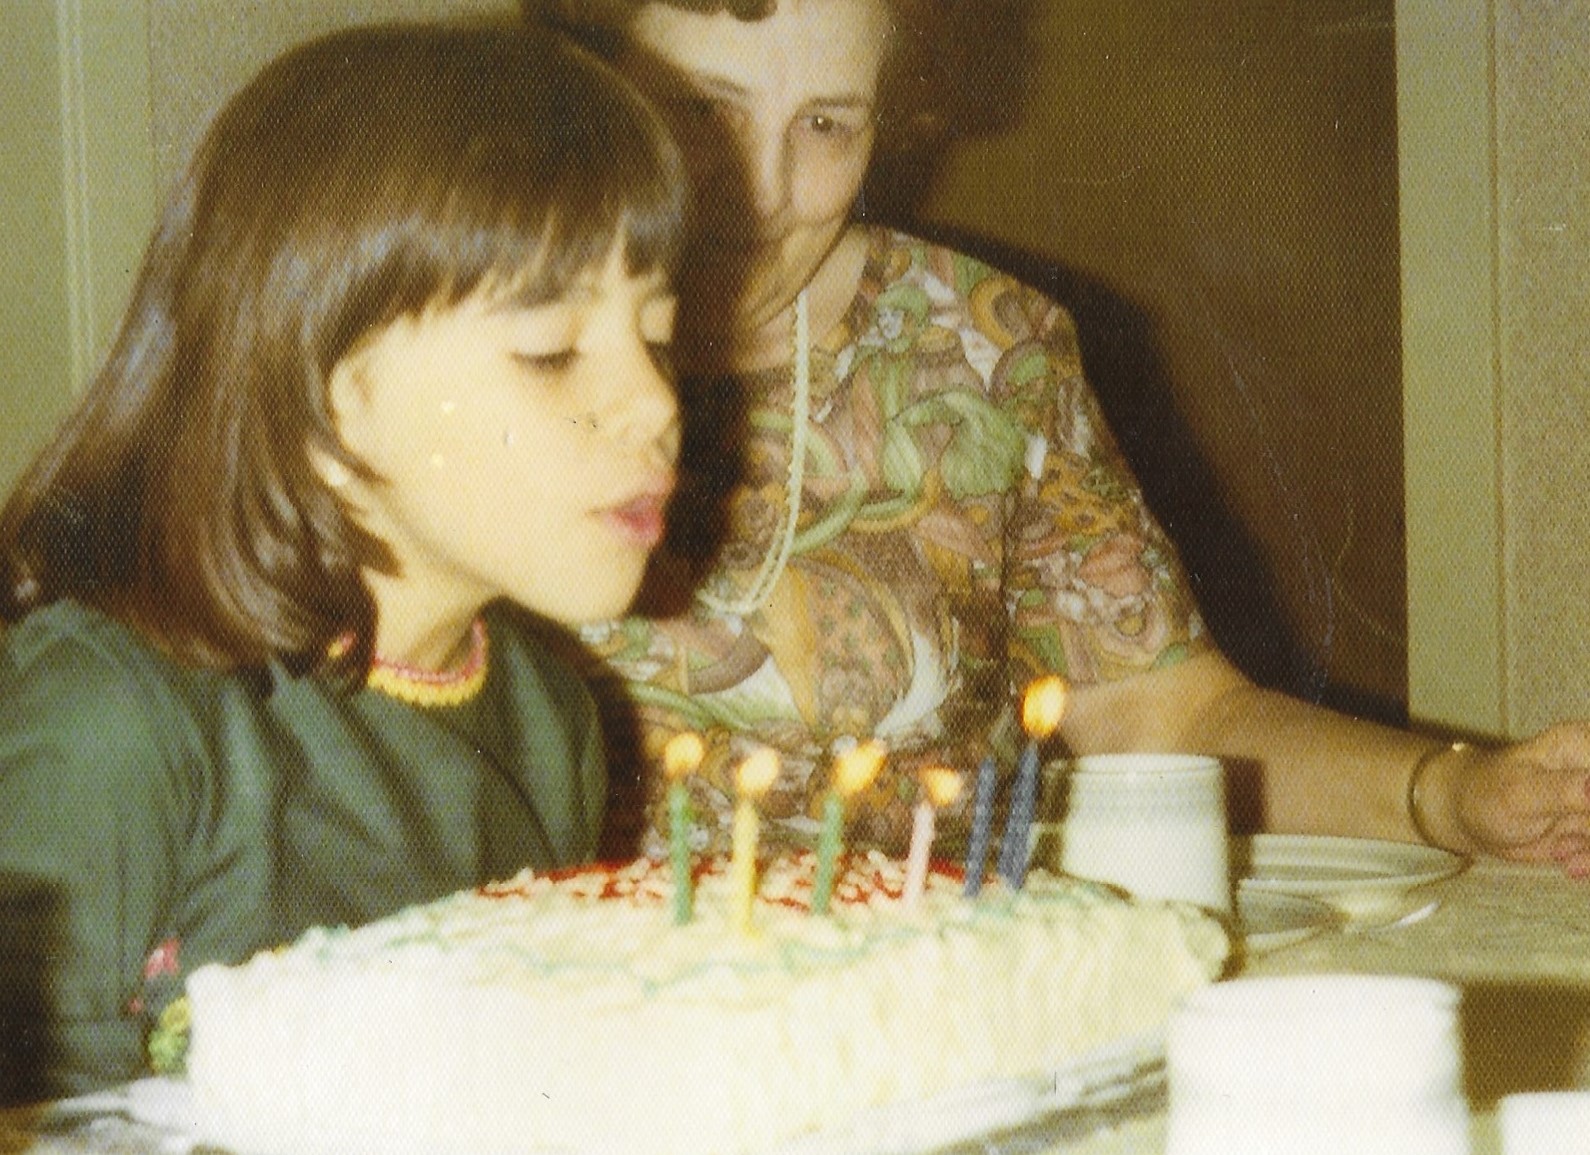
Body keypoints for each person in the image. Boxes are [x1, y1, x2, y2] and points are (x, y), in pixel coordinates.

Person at [534, 0, 1590, 874]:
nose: (760, 192)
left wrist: (1447, 793)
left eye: (826, 125)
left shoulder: (989, 347)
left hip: (937, 1015)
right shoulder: (471, 339)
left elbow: (1162, 714)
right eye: (698, 110)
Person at [0, 22, 683, 1100]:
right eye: (552, 351)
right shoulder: (113, 728)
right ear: (324, 397)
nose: (654, 404)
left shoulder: (555, 725)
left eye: (660, 333)